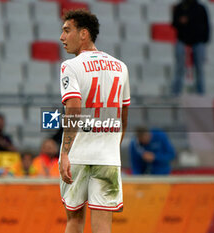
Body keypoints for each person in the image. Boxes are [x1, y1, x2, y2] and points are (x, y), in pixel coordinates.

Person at [59, 9, 130, 233]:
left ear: (84, 34)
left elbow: (73, 108)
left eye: (67, 30)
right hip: (107, 157)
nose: (62, 37)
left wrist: (64, 153)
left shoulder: (70, 66)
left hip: (77, 155)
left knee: (74, 221)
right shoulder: (121, 67)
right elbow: (123, 114)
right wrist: (113, 147)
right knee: (102, 227)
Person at [171, 0, 210, 95]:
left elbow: (207, 25)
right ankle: (176, 92)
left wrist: (205, 39)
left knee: (199, 68)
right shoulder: (180, 7)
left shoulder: (201, 8)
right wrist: (180, 21)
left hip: (198, 41)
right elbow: (174, 23)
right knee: (179, 67)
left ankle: (201, 92)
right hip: (183, 40)